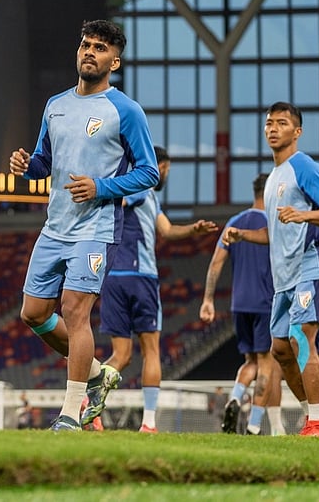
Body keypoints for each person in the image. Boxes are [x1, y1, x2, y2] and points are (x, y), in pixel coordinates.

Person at [8, 19, 159, 432]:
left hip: (94, 228)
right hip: (54, 227)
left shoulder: (125, 110)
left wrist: (101, 187)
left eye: (99, 48)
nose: (89, 52)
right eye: (85, 45)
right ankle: (98, 373)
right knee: (33, 312)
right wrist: (27, 167)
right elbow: (43, 162)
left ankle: (70, 415)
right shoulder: (55, 104)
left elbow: (149, 173)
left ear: (115, 60)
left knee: (75, 312)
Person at [221, 102, 319, 438]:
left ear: (297, 132)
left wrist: (304, 215)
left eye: (282, 123)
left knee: (301, 339)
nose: (273, 128)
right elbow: (274, 233)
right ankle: (312, 418)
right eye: (269, 123)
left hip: (312, 265)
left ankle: (318, 422)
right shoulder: (275, 176)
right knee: (279, 350)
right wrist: (242, 235)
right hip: (284, 277)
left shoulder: (304, 166)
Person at [99, 146, 217, 433]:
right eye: (166, 169)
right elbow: (122, 204)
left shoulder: (149, 199)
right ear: (159, 166)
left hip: (112, 277)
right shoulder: (142, 186)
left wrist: (193, 229)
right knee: (151, 350)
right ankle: (149, 423)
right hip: (140, 276)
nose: (165, 174)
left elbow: (167, 231)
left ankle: (88, 406)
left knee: (121, 355)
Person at [201, 174, 286, 436]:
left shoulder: (235, 223)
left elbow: (216, 263)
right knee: (266, 364)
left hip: (240, 304)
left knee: (249, 361)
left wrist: (208, 299)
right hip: (266, 302)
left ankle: (236, 397)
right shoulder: (271, 225)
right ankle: (254, 425)